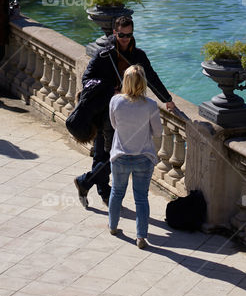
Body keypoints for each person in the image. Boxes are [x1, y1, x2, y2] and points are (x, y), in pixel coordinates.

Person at [73, 16, 177, 207]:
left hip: (125, 115)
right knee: (104, 155)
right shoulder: (103, 54)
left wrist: (167, 99)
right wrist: (109, 89)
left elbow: (152, 78)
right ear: (114, 32)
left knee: (112, 155)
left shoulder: (138, 56)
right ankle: (102, 192)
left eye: (129, 35)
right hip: (103, 110)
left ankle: (88, 183)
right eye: (121, 35)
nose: (125, 39)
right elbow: (87, 80)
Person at [106, 64, 162, 249]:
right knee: (141, 198)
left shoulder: (115, 101)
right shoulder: (151, 105)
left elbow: (114, 125)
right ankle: (141, 237)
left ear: (126, 82)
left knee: (116, 192)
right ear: (143, 83)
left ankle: (113, 227)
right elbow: (158, 132)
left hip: (120, 155)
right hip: (143, 156)